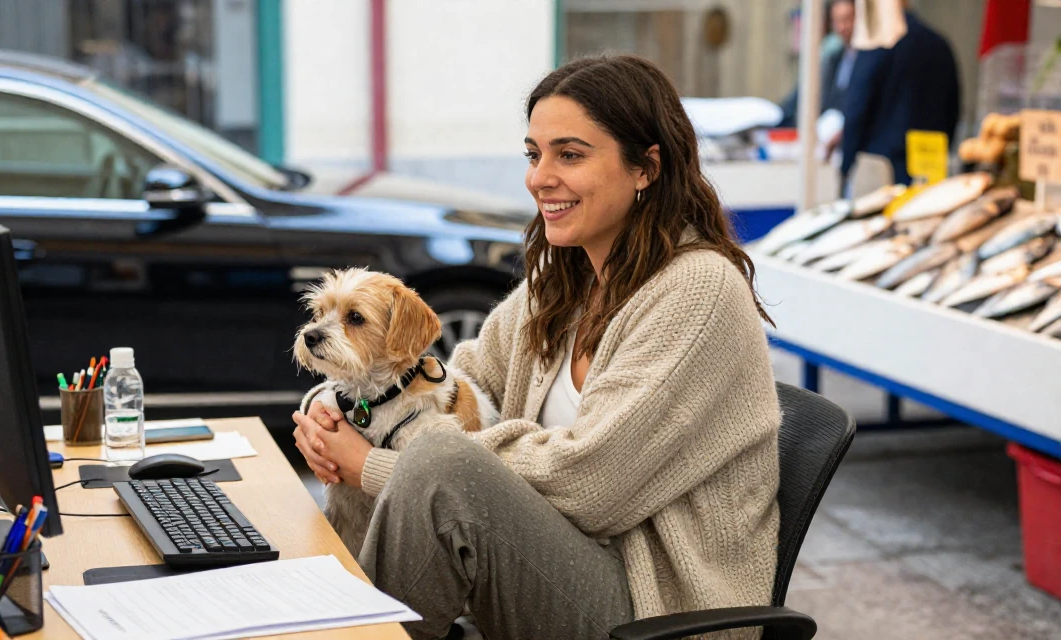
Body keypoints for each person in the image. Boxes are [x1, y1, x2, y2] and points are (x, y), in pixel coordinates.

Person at [292, 54, 781, 640]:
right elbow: (461, 383)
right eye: (533, 153)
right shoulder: (568, 280)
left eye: (569, 154)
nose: (538, 177)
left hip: (658, 609)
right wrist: (340, 408)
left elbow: (589, 486)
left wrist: (373, 465)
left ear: (646, 167)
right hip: (566, 566)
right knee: (435, 464)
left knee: (441, 469)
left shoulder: (697, 290)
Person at [835, 0, 960, 186]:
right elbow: (954, 107)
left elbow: (857, 107)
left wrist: (845, 167)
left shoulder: (877, 41)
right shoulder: (939, 44)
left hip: (886, 167)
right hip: (932, 160)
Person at [778, 0, 858, 128]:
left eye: (847, 19)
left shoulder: (832, 49)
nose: (842, 27)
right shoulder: (836, 57)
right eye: (837, 21)